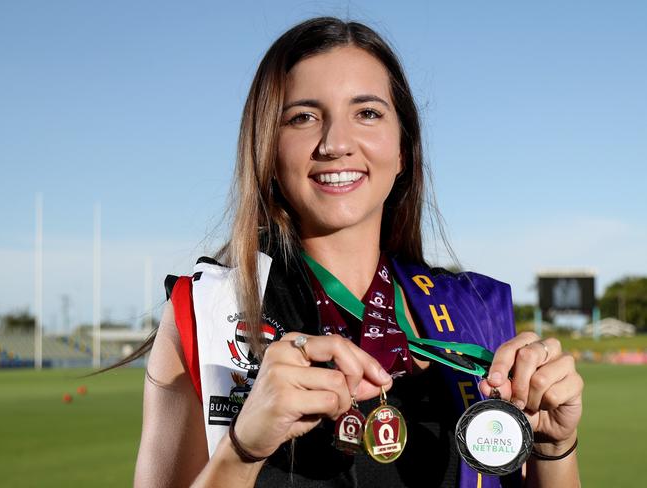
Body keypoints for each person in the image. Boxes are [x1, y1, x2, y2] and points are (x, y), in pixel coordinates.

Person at [131, 17, 583, 488]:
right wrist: (243, 449)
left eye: (367, 113)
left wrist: (555, 449)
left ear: (404, 148)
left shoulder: (474, 317)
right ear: (266, 148)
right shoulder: (204, 315)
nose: (336, 144)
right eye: (302, 117)